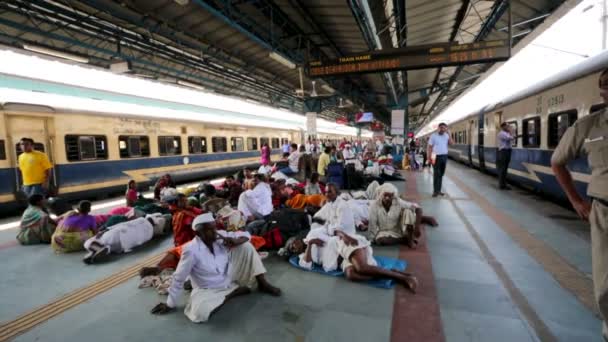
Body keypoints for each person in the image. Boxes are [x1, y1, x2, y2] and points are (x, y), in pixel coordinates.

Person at [551, 68, 608, 340]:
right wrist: (576, 201)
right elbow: (557, 161)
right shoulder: (588, 126)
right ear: (602, 92)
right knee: (605, 285)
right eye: (606, 85)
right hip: (604, 212)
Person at [150, 213, 281, 322]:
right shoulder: (191, 250)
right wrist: (169, 304)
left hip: (228, 276)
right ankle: (232, 293)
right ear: (199, 232)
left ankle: (263, 284)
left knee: (246, 246)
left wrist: (236, 241)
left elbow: (246, 235)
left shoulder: (219, 237)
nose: (215, 232)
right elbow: (179, 278)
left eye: (214, 228)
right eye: (210, 229)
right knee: (199, 312)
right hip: (208, 289)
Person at [368, 183, 437, 247]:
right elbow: (372, 223)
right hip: (384, 232)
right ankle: (405, 239)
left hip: (400, 229)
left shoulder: (398, 201)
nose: (387, 198)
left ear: (393, 195)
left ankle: (409, 237)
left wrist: (417, 227)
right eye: (385, 195)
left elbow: (418, 209)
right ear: (381, 194)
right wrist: (372, 238)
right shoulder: (374, 206)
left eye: (390, 196)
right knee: (380, 241)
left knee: (408, 211)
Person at [83, 214, 168, 264]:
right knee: (107, 243)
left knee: (88, 242)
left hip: (117, 237)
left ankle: (99, 250)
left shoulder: (141, 220)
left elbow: (121, 224)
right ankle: (100, 250)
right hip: (125, 245)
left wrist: (105, 230)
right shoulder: (149, 235)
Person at [427, 123, 453, 197]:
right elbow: (430, 147)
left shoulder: (447, 136)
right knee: (436, 173)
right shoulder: (433, 136)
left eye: (444, 128)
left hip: (444, 156)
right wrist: (429, 157)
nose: (442, 129)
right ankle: (435, 191)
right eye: (441, 128)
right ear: (438, 128)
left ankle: (439, 190)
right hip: (434, 156)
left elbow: (452, 144)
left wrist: (450, 135)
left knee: (441, 174)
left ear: (446, 129)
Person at [497, 122, 514, 190]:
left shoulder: (506, 133)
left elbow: (511, 138)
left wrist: (510, 134)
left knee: (505, 168)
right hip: (503, 152)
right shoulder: (501, 133)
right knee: (503, 169)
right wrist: (511, 133)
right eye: (507, 126)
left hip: (507, 151)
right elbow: (509, 138)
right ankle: (502, 185)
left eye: (508, 126)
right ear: (503, 127)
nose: (508, 127)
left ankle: (504, 184)